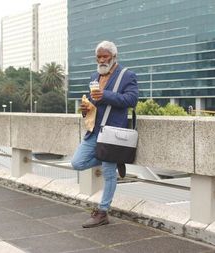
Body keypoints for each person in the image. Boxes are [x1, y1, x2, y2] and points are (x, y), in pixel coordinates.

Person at [71, 41, 139, 228]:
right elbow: (93, 103)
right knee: (77, 163)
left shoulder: (127, 75)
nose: (102, 60)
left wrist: (106, 95)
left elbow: (132, 99)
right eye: (99, 57)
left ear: (114, 57)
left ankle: (102, 212)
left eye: (105, 56)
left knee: (109, 174)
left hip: (112, 133)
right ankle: (115, 159)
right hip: (94, 131)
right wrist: (85, 108)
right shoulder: (94, 75)